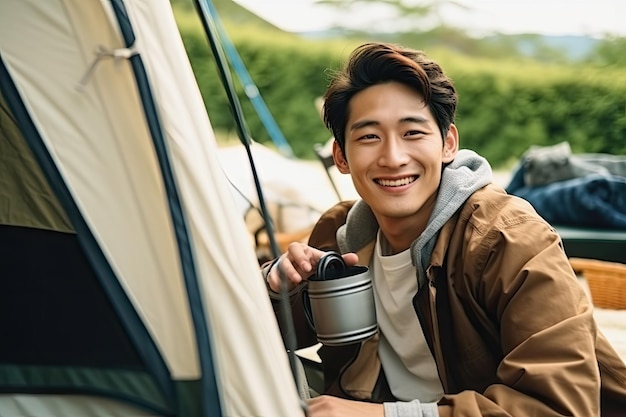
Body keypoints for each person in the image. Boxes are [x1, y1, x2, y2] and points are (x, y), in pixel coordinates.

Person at [263, 42, 626, 417]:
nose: (393, 157)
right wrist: (276, 288)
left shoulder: (509, 239)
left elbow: (562, 406)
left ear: (447, 144)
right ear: (341, 156)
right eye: (369, 136)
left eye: (413, 133)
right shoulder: (341, 233)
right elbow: (253, 335)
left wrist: (383, 416)